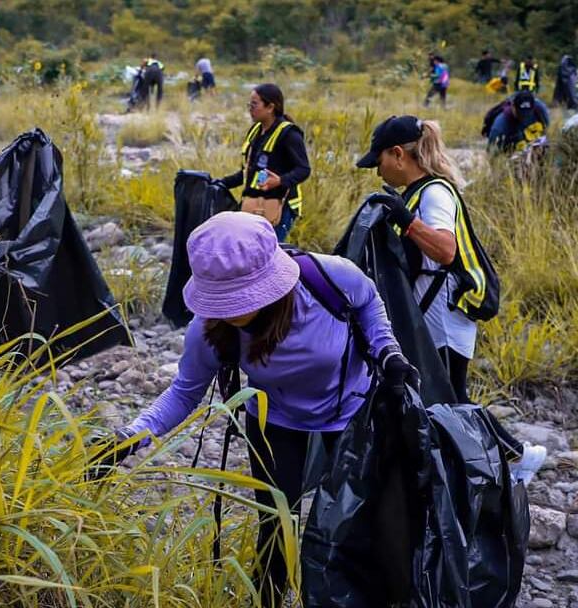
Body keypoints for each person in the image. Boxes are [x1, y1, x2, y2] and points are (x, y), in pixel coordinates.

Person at [100, 211, 413, 606]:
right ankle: (269, 598)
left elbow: (369, 304)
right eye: (220, 300)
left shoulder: (329, 279)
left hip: (351, 410)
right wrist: (131, 436)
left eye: (237, 299)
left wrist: (388, 352)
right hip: (275, 417)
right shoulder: (209, 330)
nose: (229, 311)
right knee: (277, 524)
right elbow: (183, 393)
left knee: (359, 519)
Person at [354, 114, 546, 478]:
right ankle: (489, 463)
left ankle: (519, 458)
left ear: (398, 155)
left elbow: (445, 250)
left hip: (445, 310)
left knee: (452, 397)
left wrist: (405, 220)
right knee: (448, 396)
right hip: (436, 308)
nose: (377, 171)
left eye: (379, 161)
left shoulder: (435, 193)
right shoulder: (416, 193)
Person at [218, 83, 310, 243]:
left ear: (270, 107)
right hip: (253, 206)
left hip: (280, 208)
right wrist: (221, 183)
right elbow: (248, 173)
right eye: (249, 105)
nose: (250, 109)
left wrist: (280, 181)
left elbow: (303, 169)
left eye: (254, 104)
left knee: (268, 252)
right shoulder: (255, 131)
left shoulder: (289, 134)